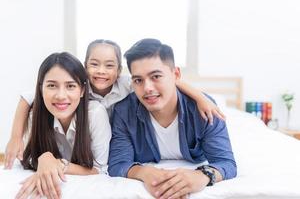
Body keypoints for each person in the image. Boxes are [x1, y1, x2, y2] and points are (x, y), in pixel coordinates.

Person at [4, 39, 225, 169]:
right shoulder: (76, 87)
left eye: (109, 65)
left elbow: (165, 83)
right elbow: (28, 97)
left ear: (119, 71)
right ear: (84, 67)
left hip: (117, 141)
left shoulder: (130, 84)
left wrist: (200, 97)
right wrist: (15, 137)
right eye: (94, 64)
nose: (101, 71)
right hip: (87, 141)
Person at [108, 38, 237, 198]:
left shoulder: (204, 109)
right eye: (138, 80)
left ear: (176, 74)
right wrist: (145, 173)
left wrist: (201, 176)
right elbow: (118, 164)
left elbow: (226, 163)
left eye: (156, 76)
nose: (147, 88)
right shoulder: (124, 111)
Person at [15, 52, 111, 199]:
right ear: (41, 89)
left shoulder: (95, 114)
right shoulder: (36, 115)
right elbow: (29, 156)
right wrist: (44, 158)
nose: (61, 95)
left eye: (70, 86)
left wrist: (59, 164)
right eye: (52, 85)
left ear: (82, 90)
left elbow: (100, 169)